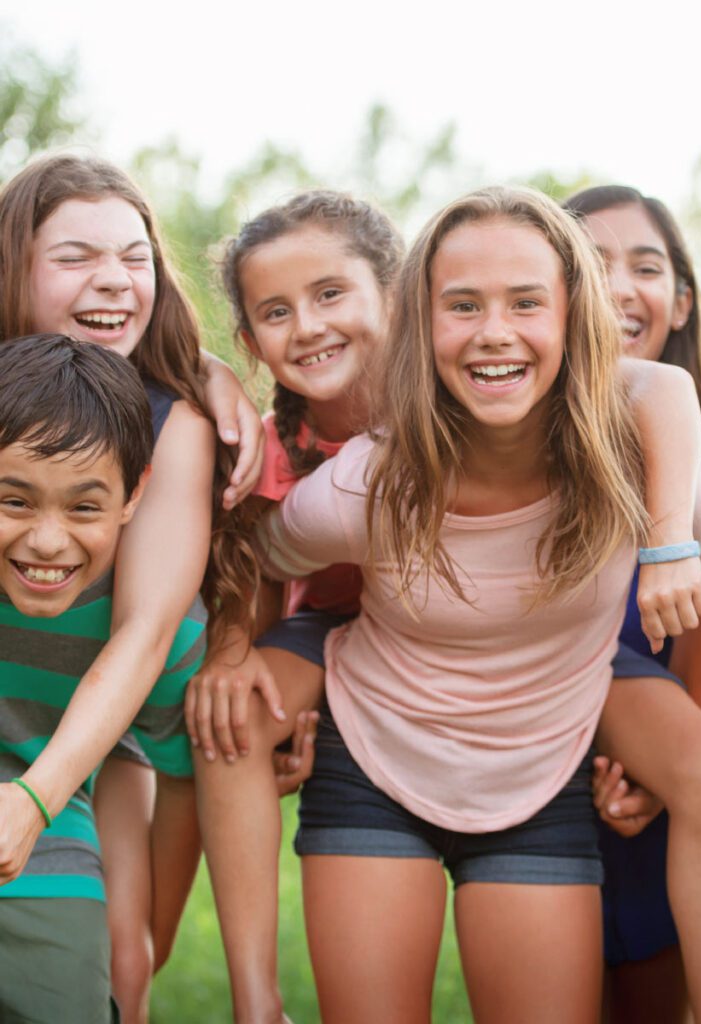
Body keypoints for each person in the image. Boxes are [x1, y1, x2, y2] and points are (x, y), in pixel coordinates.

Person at [257, 186, 701, 1023]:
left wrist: (674, 732)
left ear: (571, 318)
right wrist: (268, 667)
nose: (494, 331)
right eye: (462, 306)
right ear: (423, 324)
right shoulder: (365, 482)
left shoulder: (641, 465)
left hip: (541, 770)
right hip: (378, 755)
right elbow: (265, 557)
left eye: (527, 303)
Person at [0, 154, 262, 1021]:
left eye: (135, 255)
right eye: (75, 256)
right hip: (29, 693)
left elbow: (146, 634)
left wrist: (207, 368)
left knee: (125, 958)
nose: (113, 279)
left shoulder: (171, 417)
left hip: (112, 711)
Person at [186, 190, 404, 1023]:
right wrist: (235, 650)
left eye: (329, 294)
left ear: (393, 290)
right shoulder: (275, 448)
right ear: (249, 342)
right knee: (228, 716)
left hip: (475, 636)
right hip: (334, 631)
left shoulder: (447, 407)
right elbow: (253, 568)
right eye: (277, 312)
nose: (308, 326)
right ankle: (256, 1001)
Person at [566, 185, 701, 1021]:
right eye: (590, 263)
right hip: (556, 759)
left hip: (688, 740)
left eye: (645, 267)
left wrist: (675, 741)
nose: (618, 287)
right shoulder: (529, 428)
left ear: (682, 300)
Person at [0, 333, 166, 1021]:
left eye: (84, 507)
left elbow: (193, 766)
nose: (46, 540)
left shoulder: (154, 625)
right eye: (14, 502)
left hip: (53, 842)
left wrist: (139, 939)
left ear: (135, 495)